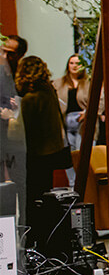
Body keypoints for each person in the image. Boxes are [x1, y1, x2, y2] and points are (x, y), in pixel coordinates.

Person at [15, 57, 66, 220]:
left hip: (36, 154)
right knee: (45, 194)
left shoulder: (31, 98)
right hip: (51, 150)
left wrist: (10, 118)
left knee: (32, 198)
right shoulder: (49, 90)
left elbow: (24, 130)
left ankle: (33, 236)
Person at [55, 53, 87, 153]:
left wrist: (87, 112)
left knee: (82, 151)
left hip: (83, 120)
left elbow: (99, 99)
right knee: (70, 153)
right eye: (71, 63)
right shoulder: (59, 83)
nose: (74, 66)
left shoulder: (88, 82)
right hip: (65, 121)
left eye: (77, 63)